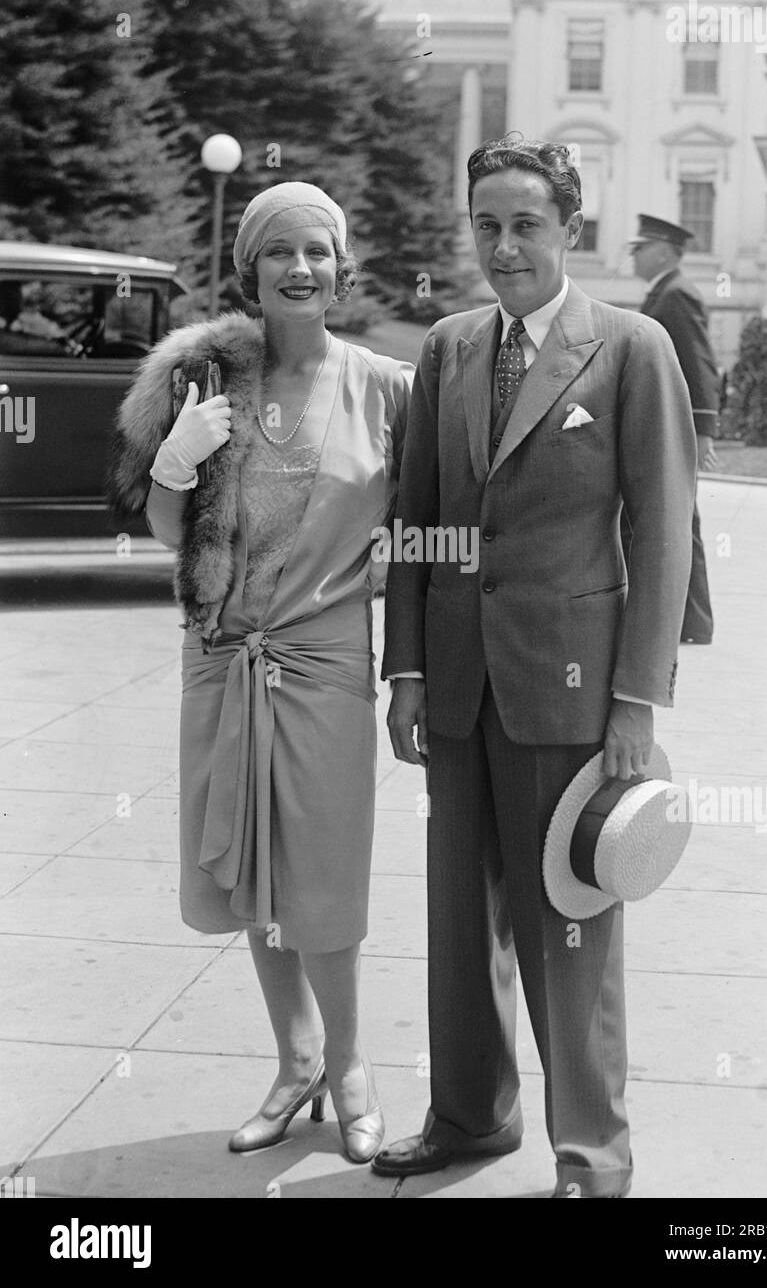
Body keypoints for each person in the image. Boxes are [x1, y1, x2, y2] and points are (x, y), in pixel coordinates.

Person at [373, 136, 696, 1199]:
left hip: (572, 691)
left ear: (568, 227)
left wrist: (636, 701)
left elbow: (662, 535)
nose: (503, 245)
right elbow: (416, 520)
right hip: (460, 690)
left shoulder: (630, 346)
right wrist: (407, 672)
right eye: (486, 225)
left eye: (524, 224)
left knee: (571, 927)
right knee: (459, 926)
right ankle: (468, 1118)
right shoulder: (449, 347)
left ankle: (591, 1157)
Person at [109, 182, 411, 1164]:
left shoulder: (385, 388)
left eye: (317, 252)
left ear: (341, 267)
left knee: (322, 878)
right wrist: (174, 465)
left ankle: (353, 1064)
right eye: (278, 251)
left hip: (322, 663)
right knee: (249, 875)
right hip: (221, 655)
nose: (298, 269)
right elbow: (163, 533)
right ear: (250, 268)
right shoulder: (204, 376)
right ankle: (296, 1062)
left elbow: (434, 527)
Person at [628, 214, 724, 645]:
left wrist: (703, 428)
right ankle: (688, 620)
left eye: (641, 248)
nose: (634, 255)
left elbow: (698, 362)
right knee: (671, 519)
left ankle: (693, 622)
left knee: (679, 520)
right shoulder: (665, 293)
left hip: (673, 425)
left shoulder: (676, 295)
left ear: (664, 251)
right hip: (663, 422)